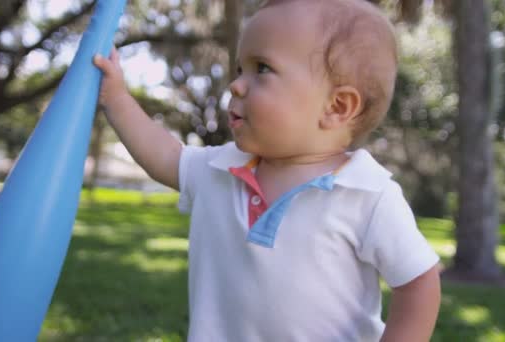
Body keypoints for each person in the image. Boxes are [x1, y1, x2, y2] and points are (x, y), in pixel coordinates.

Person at [93, 0, 441, 340]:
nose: (236, 85)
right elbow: (164, 155)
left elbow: (418, 282)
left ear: (336, 106)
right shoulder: (219, 169)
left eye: (261, 68)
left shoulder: (368, 194)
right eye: (239, 69)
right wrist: (118, 98)